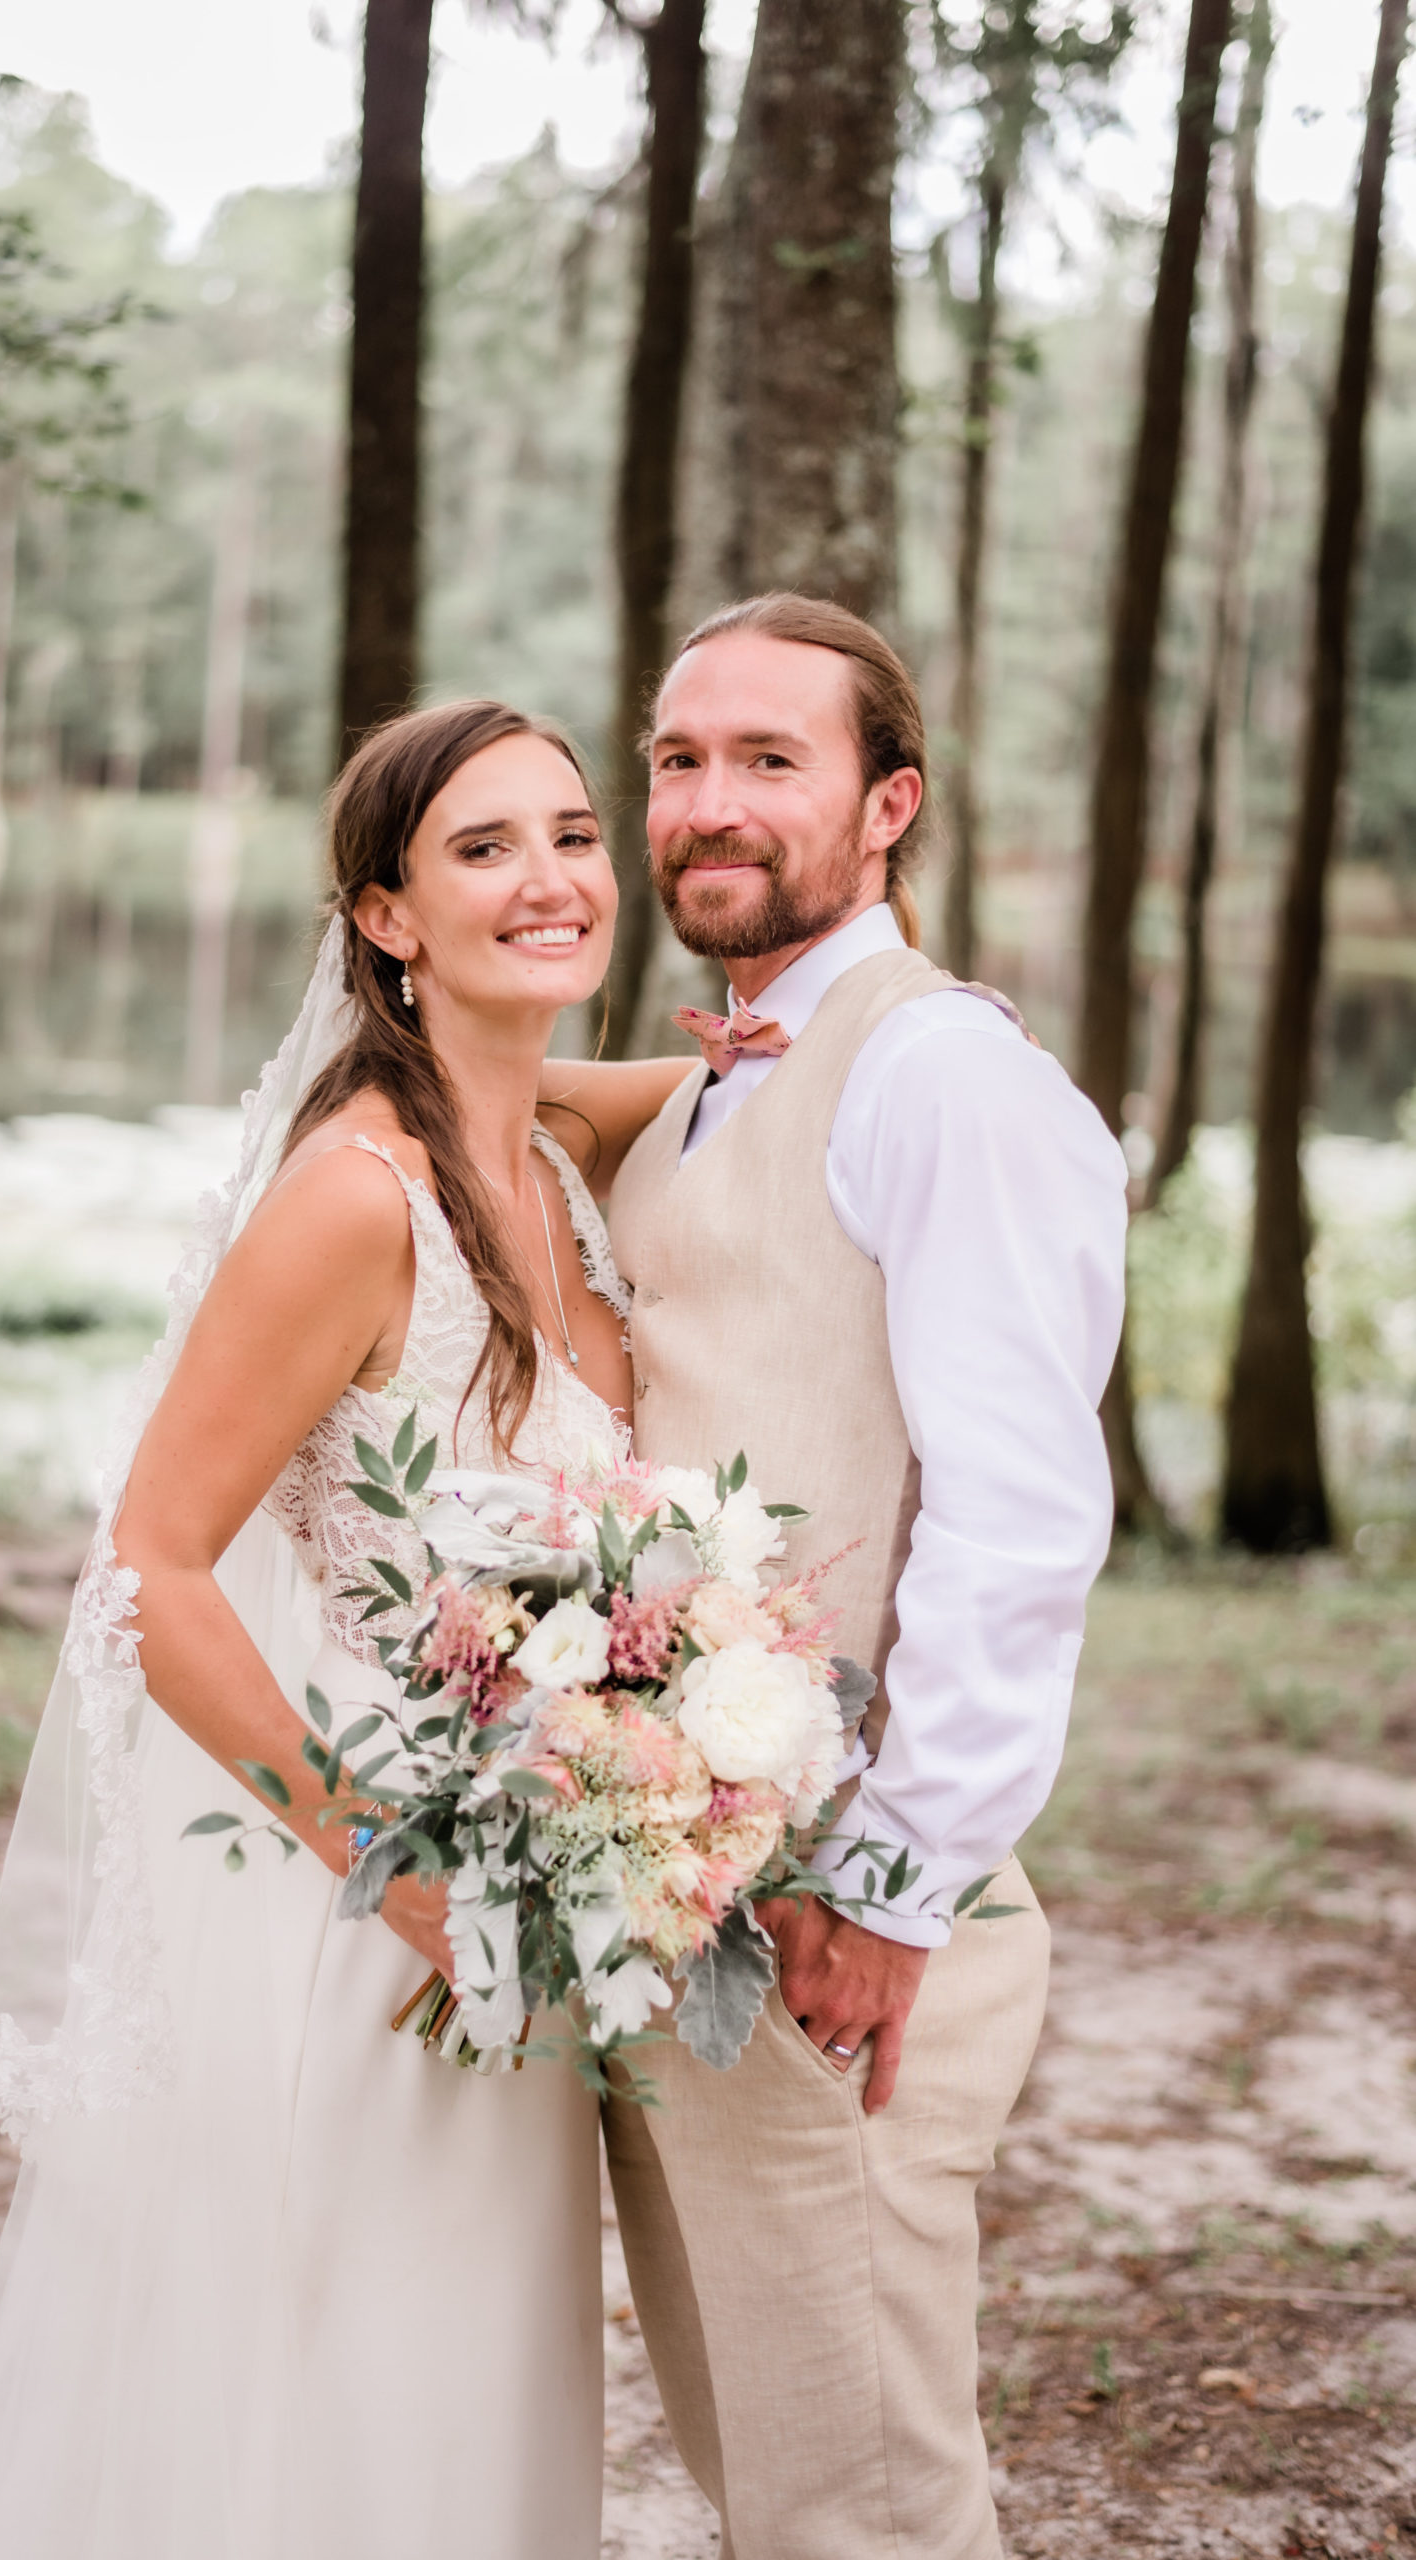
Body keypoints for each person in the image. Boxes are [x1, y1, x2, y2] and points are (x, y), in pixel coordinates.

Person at [0, 699, 661, 2560]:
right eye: (482, 850)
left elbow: (745, 1084)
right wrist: (385, 1860)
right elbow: (144, 1569)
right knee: (339, 2382)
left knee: (475, 2383)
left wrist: (854, 1044)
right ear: (383, 919)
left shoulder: (545, 1153)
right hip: (371, 1895)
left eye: (573, 832)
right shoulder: (352, 1200)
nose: (553, 878)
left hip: (532, 1885)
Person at [539, 591, 1128, 2560]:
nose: (705, 802)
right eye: (677, 758)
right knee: (776, 2484)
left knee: (866, 2510)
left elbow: (1022, 1504)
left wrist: (894, 1882)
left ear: (889, 804)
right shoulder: (728, 1067)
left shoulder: (939, 1072)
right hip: (694, 1887)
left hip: (839, 1931)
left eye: (767, 759)